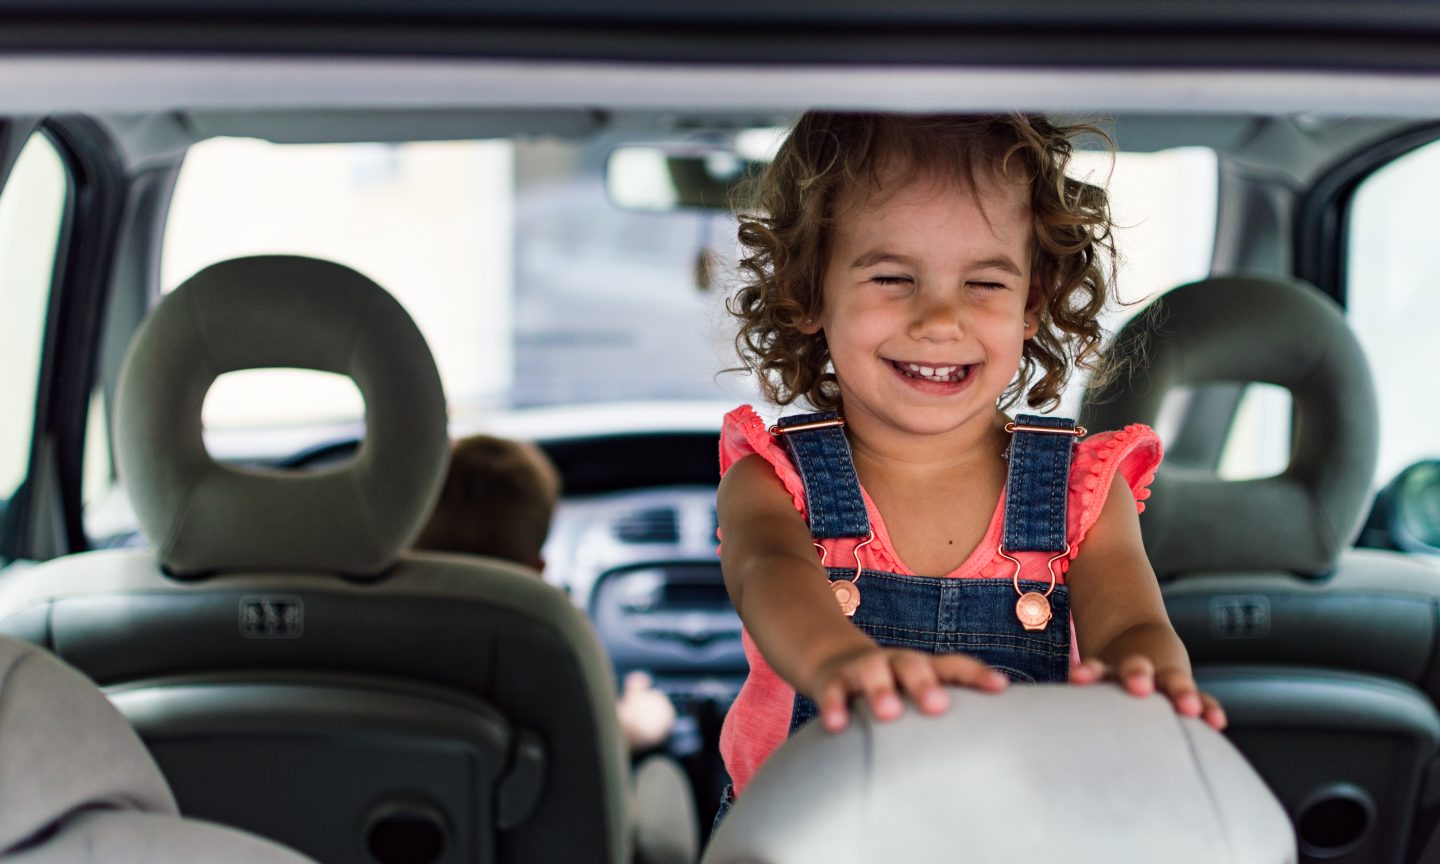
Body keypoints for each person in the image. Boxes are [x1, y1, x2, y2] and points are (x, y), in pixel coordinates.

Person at [714, 111, 1225, 810]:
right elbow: (768, 574)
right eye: (892, 277)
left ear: (1031, 303)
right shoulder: (775, 481)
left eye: (984, 284)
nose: (939, 320)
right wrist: (836, 659)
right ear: (809, 292)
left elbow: (1131, 625)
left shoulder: (1079, 493)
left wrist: (1144, 682)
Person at [415, 433, 675, 752]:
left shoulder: (378, 623)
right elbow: (596, 740)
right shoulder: (543, 644)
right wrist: (645, 718)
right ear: (536, 569)